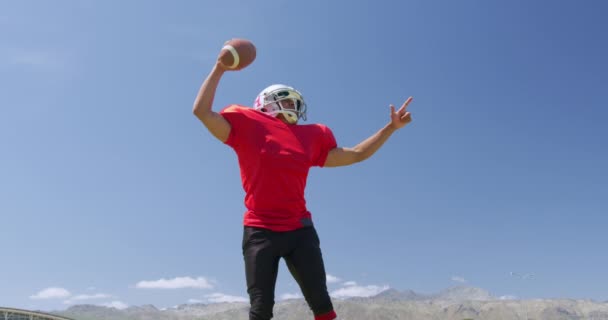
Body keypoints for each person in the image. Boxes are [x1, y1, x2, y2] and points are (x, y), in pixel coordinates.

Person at [192, 43, 413, 320]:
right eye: (284, 100)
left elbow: (357, 154)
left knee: (322, 304)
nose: (291, 106)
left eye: (294, 102)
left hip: (299, 228)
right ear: (264, 103)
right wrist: (219, 68)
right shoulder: (247, 124)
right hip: (260, 229)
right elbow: (201, 112)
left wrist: (391, 128)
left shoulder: (311, 136)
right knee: (260, 310)